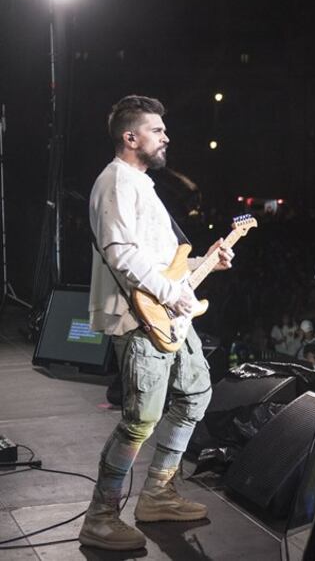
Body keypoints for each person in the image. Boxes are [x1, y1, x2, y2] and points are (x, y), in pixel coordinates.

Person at [82, 95, 234, 551]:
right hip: (140, 319)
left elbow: (162, 264)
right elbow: (121, 253)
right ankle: (100, 517)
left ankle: (157, 494)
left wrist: (203, 264)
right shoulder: (115, 182)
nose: (166, 136)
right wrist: (172, 294)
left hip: (171, 316)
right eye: (156, 130)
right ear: (131, 137)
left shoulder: (142, 185)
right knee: (140, 421)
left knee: (195, 394)